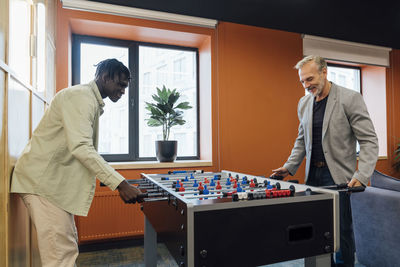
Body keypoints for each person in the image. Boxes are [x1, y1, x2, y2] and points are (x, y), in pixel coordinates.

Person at [10, 58, 146, 267]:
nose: (122, 91)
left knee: (66, 248)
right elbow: (81, 147)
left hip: (51, 185)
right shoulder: (81, 97)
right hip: (43, 184)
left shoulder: (88, 99)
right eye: (120, 85)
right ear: (105, 77)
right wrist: (121, 184)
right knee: (61, 257)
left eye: (125, 87)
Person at [271, 55, 378, 267]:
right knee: (316, 230)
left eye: (310, 79)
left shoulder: (349, 98)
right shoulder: (304, 103)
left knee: (342, 232)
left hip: (339, 177)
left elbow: (369, 141)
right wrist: (289, 166)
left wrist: (362, 175)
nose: (306, 85)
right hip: (313, 176)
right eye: (302, 81)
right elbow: (302, 140)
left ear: (324, 72)